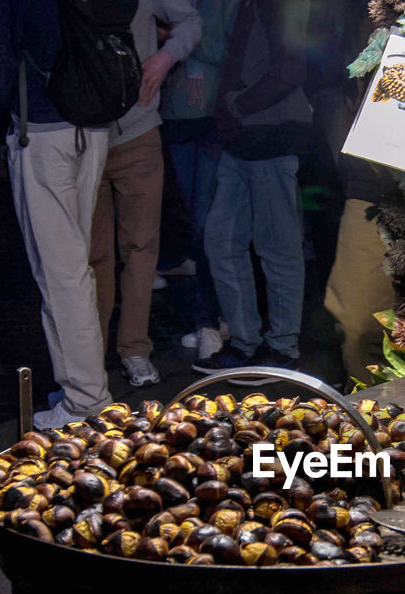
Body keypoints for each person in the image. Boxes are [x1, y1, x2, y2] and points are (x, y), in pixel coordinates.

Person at [0, 0, 116, 429]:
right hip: (93, 118)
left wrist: (12, 92)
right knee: (71, 267)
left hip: (43, 125)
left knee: (61, 272)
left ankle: (86, 400)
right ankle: (81, 388)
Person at [88, 0, 203, 390]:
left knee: (141, 247)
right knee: (94, 254)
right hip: (81, 134)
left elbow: (189, 18)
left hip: (137, 130)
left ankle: (133, 347)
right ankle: (91, 355)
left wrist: (164, 58)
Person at [194, 0, 313, 372]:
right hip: (243, 137)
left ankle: (281, 348)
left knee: (277, 246)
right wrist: (231, 110)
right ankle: (247, 344)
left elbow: (292, 68)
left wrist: (236, 105)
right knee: (222, 241)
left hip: (270, 135)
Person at [160, 0, 241, 362]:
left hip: (213, 117)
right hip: (176, 115)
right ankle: (210, 318)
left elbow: (234, 52)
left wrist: (176, 40)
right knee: (196, 221)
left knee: (208, 224)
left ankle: (211, 319)